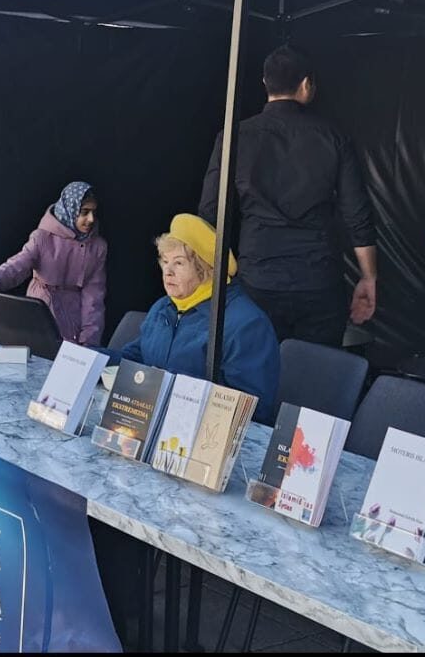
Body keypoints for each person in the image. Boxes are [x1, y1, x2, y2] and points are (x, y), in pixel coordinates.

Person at [199, 45, 377, 346]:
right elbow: (357, 214)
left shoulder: (234, 136)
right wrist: (368, 277)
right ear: (306, 85)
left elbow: (211, 210)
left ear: (265, 83)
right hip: (318, 279)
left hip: (257, 275)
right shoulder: (334, 137)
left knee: (255, 367)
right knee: (317, 369)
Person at [114, 213, 279, 424]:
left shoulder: (247, 324)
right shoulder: (164, 306)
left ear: (205, 269)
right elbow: (137, 358)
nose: (167, 272)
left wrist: (173, 389)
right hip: (154, 422)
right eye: (165, 261)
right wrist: (87, 359)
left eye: (179, 263)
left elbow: (251, 409)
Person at [0, 181, 107, 346]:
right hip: (40, 313)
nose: (91, 219)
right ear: (70, 209)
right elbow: (18, 264)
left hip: (74, 318)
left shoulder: (97, 247)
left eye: (93, 212)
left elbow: (94, 297)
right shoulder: (42, 237)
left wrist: (89, 340)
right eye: (84, 212)